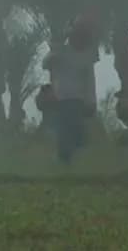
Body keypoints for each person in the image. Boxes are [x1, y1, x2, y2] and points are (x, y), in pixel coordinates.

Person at [42, 18, 97, 165]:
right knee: (63, 133)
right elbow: (45, 64)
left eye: (81, 36)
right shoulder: (61, 51)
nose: (79, 39)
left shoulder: (86, 55)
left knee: (77, 135)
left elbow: (90, 80)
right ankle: (63, 160)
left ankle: (68, 160)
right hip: (60, 99)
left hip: (78, 100)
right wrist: (61, 42)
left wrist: (91, 100)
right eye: (76, 35)